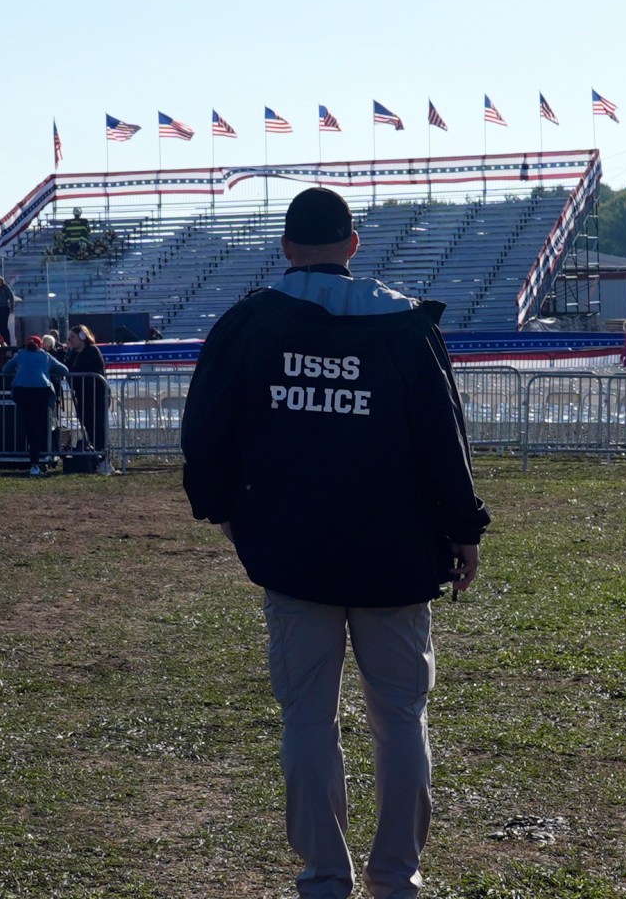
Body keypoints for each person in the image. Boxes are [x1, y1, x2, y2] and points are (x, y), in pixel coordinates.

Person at [181, 187, 489, 899]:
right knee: (402, 718)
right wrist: (465, 529)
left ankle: (324, 878)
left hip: (293, 554)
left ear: (287, 248)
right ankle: (396, 877)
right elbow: (445, 439)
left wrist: (224, 511)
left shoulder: (252, 324)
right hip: (397, 554)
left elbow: (205, 431)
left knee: (308, 721)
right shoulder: (404, 325)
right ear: (353, 244)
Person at [1, 335, 70, 476]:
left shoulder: (20, 355)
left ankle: (31, 457)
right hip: (40, 393)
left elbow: (5, 370)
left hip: (21, 393)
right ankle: (36, 463)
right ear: (41, 346)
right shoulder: (45, 356)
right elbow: (64, 370)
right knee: (38, 429)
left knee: (28, 426)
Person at [65, 324, 110, 452]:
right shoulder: (73, 354)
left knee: (98, 426)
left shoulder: (92, 351)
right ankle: (96, 452)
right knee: (88, 425)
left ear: (82, 336)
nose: (70, 340)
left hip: (96, 395)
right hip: (82, 395)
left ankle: (103, 453)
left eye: (72, 337)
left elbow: (82, 370)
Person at [0, 272, 18, 344]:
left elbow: (11, 296)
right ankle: (2, 340)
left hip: (5, 308)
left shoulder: (5, 287)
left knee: (4, 326)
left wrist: (12, 307)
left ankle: (7, 341)